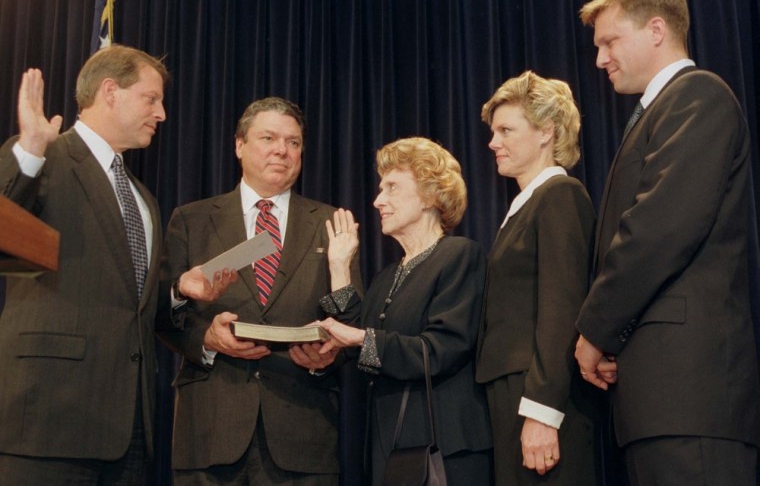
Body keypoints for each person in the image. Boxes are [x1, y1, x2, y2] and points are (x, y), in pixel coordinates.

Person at [574, 0, 760, 484]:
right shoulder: (659, 111)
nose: (600, 59)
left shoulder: (697, 95)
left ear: (657, 29)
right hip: (664, 401)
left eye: (610, 42)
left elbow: (657, 230)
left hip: (690, 398)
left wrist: (596, 330)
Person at [159, 96, 361, 485]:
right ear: (239, 145)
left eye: (294, 142)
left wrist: (327, 359)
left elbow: (352, 321)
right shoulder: (192, 219)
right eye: (268, 138)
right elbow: (161, 315)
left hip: (302, 432)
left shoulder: (331, 223)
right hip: (210, 430)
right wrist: (206, 339)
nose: (282, 151)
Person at [0, 45, 168, 483]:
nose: (162, 112)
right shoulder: (45, 157)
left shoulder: (143, 198)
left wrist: (182, 293)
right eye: (152, 98)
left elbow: (133, 306)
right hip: (48, 419)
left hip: (129, 432)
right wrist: (30, 150)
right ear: (110, 91)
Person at [317, 137, 493, 485]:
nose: (378, 200)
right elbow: (357, 342)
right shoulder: (386, 278)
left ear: (430, 194)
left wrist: (360, 338)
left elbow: (441, 349)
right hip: (392, 451)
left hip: (445, 451)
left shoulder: (460, 255)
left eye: (392, 187)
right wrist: (339, 266)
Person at [474, 71, 599, 485]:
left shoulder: (560, 196)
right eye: (494, 131)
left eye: (507, 130)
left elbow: (562, 310)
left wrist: (543, 413)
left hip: (538, 396)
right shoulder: (525, 206)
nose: (494, 142)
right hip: (514, 393)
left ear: (546, 132)